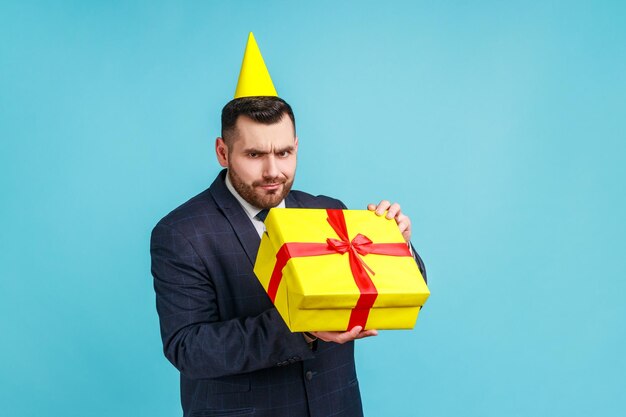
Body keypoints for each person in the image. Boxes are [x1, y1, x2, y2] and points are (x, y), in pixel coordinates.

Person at [150, 34, 426, 417]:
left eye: (284, 152)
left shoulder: (328, 213)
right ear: (222, 152)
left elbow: (384, 292)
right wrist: (304, 329)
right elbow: (190, 349)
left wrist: (397, 246)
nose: (273, 171)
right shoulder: (182, 233)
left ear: (297, 145)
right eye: (254, 154)